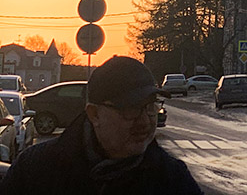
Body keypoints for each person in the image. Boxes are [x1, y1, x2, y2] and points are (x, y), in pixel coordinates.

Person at [0, 55, 203, 194]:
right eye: (131, 108)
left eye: (151, 106)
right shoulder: (36, 171)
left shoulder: (172, 180)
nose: (145, 121)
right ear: (94, 114)